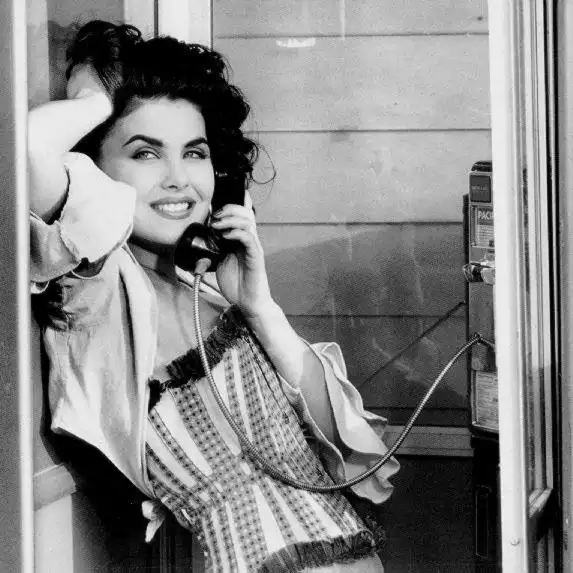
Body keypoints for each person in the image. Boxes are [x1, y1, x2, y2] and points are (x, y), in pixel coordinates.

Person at [29, 20, 399, 573]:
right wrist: (97, 99)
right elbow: (25, 151)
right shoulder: (96, 296)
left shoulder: (215, 297)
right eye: (146, 154)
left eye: (194, 153)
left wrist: (260, 308)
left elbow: (351, 452)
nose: (178, 179)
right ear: (94, 170)